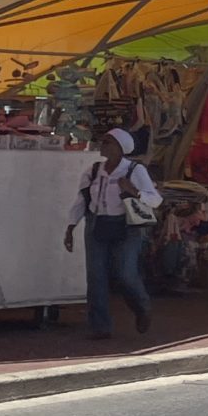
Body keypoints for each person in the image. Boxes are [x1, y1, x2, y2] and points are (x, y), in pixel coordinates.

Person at [65, 126, 160, 340]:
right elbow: (81, 201)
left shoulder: (135, 171)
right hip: (96, 224)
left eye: (108, 142)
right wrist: (71, 227)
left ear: (120, 148)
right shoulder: (93, 170)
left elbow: (155, 200)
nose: (103, 145)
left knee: (125, 273)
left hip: (126, 226)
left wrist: (133, 191)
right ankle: (100, 327)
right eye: (103, 141)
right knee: (96, 277)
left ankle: (141, 306)